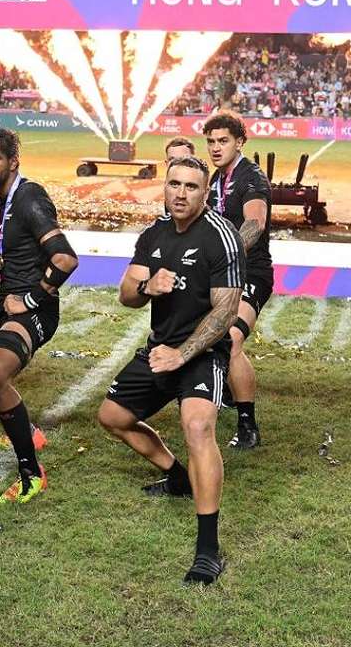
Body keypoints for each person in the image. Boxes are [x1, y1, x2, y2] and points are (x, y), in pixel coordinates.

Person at [97, 156, 243, 585]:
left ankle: (208, 549)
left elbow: (226, 311)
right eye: (174, 184)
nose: (181, 193)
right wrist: (147, 287)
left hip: (203, 353)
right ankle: (178, 476)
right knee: (112, 417)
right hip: (160, 351)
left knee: (197, 427)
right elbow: (126, 293)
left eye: (191, 187)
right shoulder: (154, 234)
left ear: (205, 192)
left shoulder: (221, 237)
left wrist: (184, 354)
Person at [0, 128, 78, 503]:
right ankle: (29, 431)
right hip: (8, 304)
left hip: (35, 310)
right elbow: (23, 262)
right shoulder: (2, 204)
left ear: (13, 161)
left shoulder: (29, 198)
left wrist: (30, 299)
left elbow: (65, 259)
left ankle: (32, 473)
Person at [203, 114, 272, 449]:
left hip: (250, 274)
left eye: (223, 141)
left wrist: (226, 254)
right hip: (219, 274)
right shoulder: (216, 178)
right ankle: (220, 392)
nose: (216, 148)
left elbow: (255, 224)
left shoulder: (250, 177)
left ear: (239, 142)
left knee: (230, 339)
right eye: (211, 142)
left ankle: (248, 426)